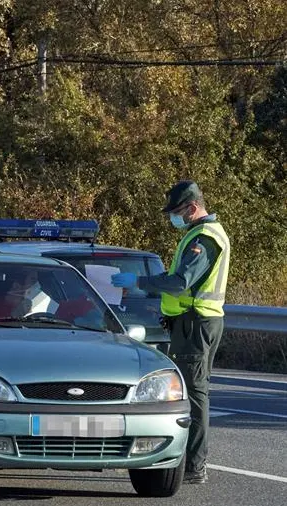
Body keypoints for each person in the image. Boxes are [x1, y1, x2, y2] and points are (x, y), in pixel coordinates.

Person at [111, 180, 229, 485]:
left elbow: (180, 282)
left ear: (192, 208)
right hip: (191, 322)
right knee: (191, 391)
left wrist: (139, 283)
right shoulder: (196, 233)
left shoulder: (204, 238)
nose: (172, 218)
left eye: (176, 212)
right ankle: (190, 462)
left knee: (194, 393)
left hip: (196, 324)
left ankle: (194, 465)